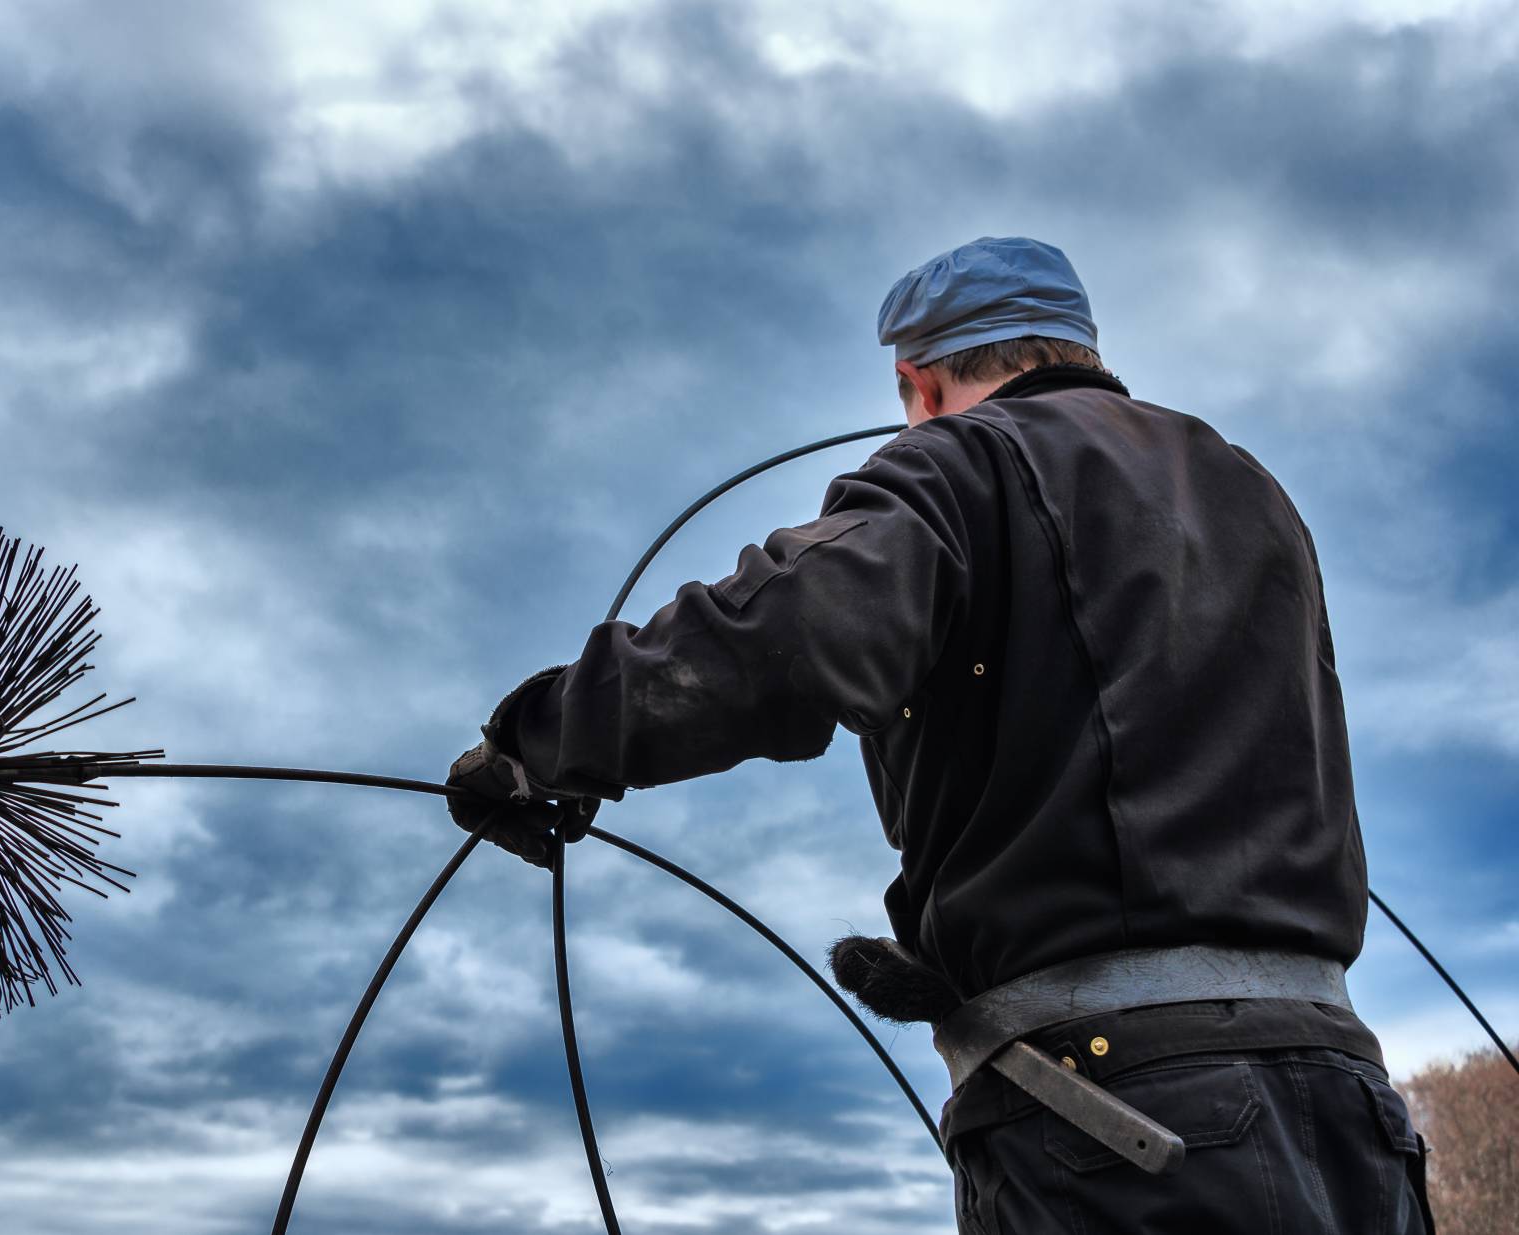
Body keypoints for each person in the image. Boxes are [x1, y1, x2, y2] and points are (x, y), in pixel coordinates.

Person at [446, 236, 1434, 1233]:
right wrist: (953, 960)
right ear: (1075, 347)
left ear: (918, 380)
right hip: (1351, 1109)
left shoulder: (959, 461)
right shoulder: (1253, 491)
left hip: (1126, 1123)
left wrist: (540, 740)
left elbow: (791, 631)